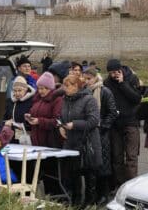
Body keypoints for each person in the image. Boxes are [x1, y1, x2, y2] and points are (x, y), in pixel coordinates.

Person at [60, 75, 101, 207]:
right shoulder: (65, 99)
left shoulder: (89, 99)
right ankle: (75, 202)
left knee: (89, 174)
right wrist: (61, 126)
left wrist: (75, 125)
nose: (64, 88)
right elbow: (61, 116)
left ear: (76, 86)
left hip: (87, 142)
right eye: (64, 85)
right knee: (73, 174)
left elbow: (94, 120)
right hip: (71, 142)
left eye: (67, 86)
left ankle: (90, 203)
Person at [103, 59, 141, 188]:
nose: (113, 75)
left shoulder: (132, 78)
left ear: (120, 70)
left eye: (115, 72)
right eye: (110, 73)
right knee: (117, 157)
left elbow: (136, 99)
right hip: (115, 124)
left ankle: (132, 186)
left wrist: (123, 83)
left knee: (131, 157)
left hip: (131, 122)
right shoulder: (107, 83)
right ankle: (119, 185)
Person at [83, 68, 118, 205]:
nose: (86, 81)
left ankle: (103, 195)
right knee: (90, 164)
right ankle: (92, 196)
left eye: (89, 79)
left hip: (101, 133)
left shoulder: (104, 91)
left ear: (95, 78)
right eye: (84, 79)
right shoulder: (85, 92)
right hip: (88, 132)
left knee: (102, 164)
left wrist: (102, 127)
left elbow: (112, 112)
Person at [26, 72, 63, 148]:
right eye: (39, 88)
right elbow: (33, 112)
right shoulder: (37, 99)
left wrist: (39, 121)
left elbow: (57, 121)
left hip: (50, 143)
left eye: (42, 89)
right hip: (36, 142)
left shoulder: (57, 100)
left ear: (49, 88)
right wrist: (29, 116)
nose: (40, 91)